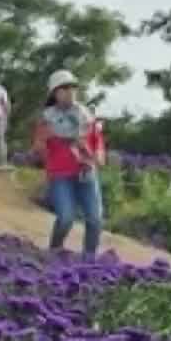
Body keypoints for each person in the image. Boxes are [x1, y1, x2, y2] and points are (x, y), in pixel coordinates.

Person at [30, 69, 106, 260]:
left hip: (86, 173)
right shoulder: (47, 119)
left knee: (95, 220)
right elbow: (38, 150)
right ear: (54, 93)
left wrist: (94, 155)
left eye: (73, 87)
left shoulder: (87, 116)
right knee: (65, 218)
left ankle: (89, 261)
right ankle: (54, 251)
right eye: (64, 88)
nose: (70, 91)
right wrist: (42, 142)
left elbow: (99, 146)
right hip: (61, 175)